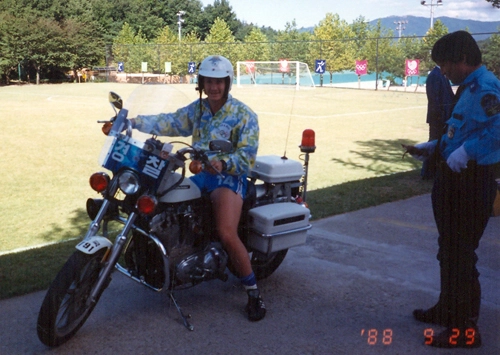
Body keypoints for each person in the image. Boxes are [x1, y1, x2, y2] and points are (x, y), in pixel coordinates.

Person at [127, 55, 265, 321]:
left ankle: (253, 292)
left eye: (218, 82)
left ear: (227, 83)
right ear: (201, 82)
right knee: (165, 201)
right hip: (200, 173)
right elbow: (170, 121)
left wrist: (221, 163)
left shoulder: (244, 115)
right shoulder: (198, 110)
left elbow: (247, 158)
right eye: (208, 81)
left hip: (228, 177)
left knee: (226, 231)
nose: (213, 87)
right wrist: (134, 122)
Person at [407, 31, 500, 348]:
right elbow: (459, 130)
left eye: (445, 65)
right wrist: (434, 146)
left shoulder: (487, 88)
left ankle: (465, 330)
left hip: (472, 180)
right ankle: (447, 310)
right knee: (448, 249)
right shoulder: (468, 88)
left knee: (461, 254)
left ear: (462, 59)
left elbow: (497, 130)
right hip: (454, 178)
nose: (442, 72)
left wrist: (468, 151)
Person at [421, 65, 454, 179]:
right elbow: (433, 98)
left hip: (445, 116)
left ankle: (434, 172)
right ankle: (427, 173)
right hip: (438, 118)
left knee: (439, 144)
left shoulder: (442, 74)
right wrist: (440, 116)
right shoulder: (435, 75)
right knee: (433, 144)